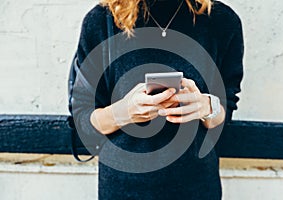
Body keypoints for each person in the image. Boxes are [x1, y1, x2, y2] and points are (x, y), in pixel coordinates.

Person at [68, 0, 244, 199]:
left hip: (196, 185)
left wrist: (206, 107)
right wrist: (123, 113)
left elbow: (226, 107)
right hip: (122, 189)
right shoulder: (102, 20)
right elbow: (82, 120)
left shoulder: (221, 21)